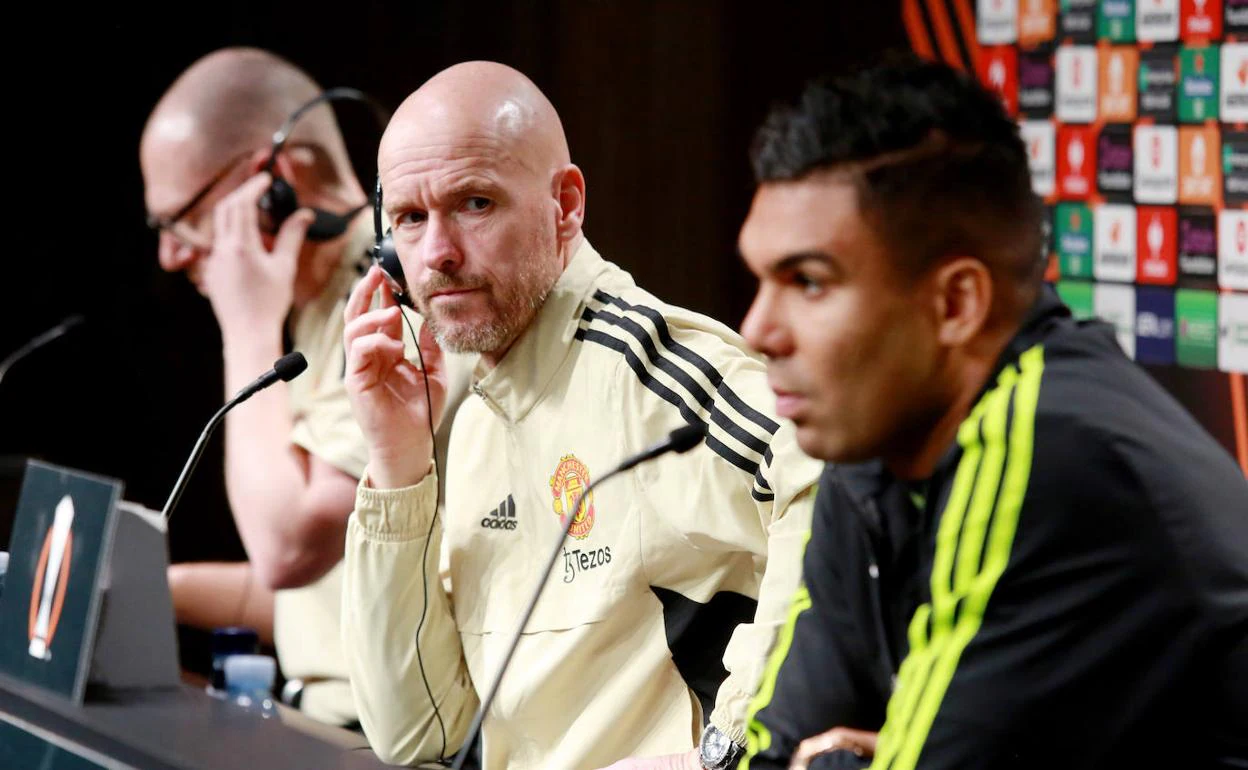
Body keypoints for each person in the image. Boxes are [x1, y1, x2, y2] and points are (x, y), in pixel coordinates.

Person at [733, 55, 1248, 769]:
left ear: (955, 304)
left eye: (809, 283)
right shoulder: (875, 449)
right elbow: (769, 751)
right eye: (760, 279)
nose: (758, 329)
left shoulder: (1052, 453)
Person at [339, 61, 823, 769]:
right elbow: (419, 732)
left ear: (565, 205)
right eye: (410, 219)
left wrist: (732, 743)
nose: (438, 253)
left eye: (475, 203)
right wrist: (396, 466)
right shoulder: (462, 408)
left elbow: (835, 477)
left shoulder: (645, 369)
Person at [139, 47, 469, 728]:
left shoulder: (395, 304)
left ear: (273, 179)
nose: (170, 254)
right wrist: (133, 588)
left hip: (394, 740)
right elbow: (313, 601)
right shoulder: (320, 309)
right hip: (321, 716)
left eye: (180, 219)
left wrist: (247, 325)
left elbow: (286, 549)